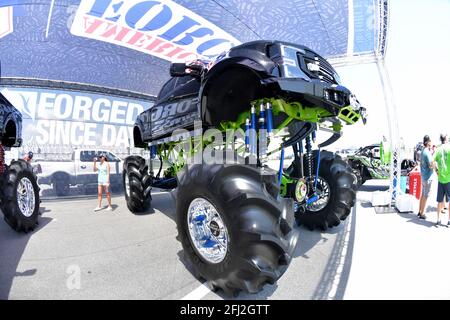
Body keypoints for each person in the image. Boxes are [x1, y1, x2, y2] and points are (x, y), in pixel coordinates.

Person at [434, 134, 450, 227]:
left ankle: (438, 219)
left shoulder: (438, 149)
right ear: (446, 139)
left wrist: (437, 171)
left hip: (441, 179)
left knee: (440, 201)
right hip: (449, 178)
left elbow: (432, 162)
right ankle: (449, 221)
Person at [418, 135, 434, 219]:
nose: (432, 143)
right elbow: (431, 165)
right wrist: (435, 164)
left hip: (424, 176)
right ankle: (422, 213)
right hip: (428, 177)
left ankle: (420, 210)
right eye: (431, 141)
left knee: (422, 194)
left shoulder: (422, 151)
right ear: (428, 142)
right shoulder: (427, 152)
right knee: (425, 196)